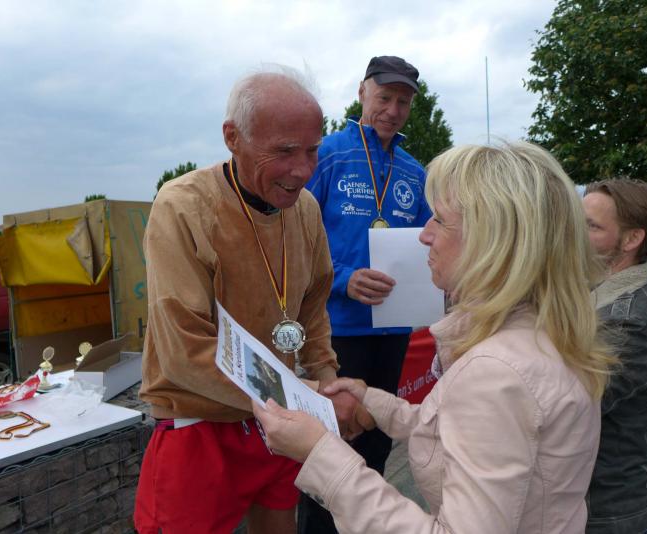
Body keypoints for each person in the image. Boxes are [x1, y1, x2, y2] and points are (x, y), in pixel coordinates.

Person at [255, 142, 617, 533]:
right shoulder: (541, 334)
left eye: (440, 220)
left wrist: (320, 453)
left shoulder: (496, 372)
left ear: (491, 240)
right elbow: (478, 437)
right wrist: (377, 405)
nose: (424, 235)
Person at [134, 67, 358, 534]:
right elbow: (184, 352)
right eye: (285, 151)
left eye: (312, 150)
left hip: (281, 424)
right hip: (202, 424)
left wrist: (327, 378)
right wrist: (306, 396)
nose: (303, 170)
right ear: (233, 138)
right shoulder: (182, 206)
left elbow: (313, 308)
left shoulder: (306, 209)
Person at [300, 56, 431, 533]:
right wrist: (342, 278)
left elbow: (431, 240)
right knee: (331, 446)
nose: (393, 110)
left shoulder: (414, 172)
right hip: (338, 330)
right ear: (362, 93)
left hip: (393, 330)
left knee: (376, 443)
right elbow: (296, 236)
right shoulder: (327, 154)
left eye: (403, 102)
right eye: (385, 97)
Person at [582, 178, 647, 534]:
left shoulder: (628, 321)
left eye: (591, 226)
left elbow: (564, 406)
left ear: (632, 239)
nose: (574, 235)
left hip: (606, 514)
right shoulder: (597, 296)